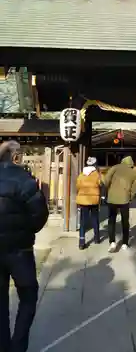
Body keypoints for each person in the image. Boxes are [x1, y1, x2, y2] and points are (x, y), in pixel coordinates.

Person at [0, 141, 49, 352]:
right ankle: (17, 346)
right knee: (28, 296)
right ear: (16, 157)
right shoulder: (25, 180)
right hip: (20, 250)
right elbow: (40, 214)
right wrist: (27, 231)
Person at [104, 156, 136, 252]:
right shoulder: (133, 173)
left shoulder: (114, 167)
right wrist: (130, 197)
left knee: (111, 221)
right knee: (125, 222)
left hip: (112, 199)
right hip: (125, 200)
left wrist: (108, 190)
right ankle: (125, 243)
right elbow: (134, 188)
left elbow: (106, 180)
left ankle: (112, 242)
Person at [76, 156, 101, 250]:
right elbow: (100, 183)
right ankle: (96, 238)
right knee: (95, 218)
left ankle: (81, 242)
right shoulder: (97, 174)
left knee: (83, 221)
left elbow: (77, 185)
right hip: (94, 200)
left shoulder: (81, 174)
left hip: (83, 200)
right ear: (95, 164)